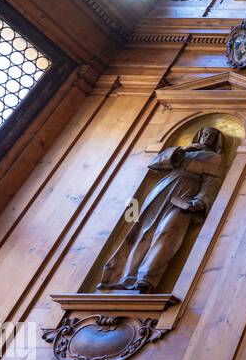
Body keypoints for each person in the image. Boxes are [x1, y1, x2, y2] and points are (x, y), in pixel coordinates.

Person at [96, 126, 226, 293]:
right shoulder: (184, 152)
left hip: (186, 194)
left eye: (212, 136)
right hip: (163, 188)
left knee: (168, 232)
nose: (207, 137)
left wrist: (200, 201)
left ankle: (147, 278)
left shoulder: (214, 158)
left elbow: (212, 182)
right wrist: (181, 150)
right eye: (205, 133)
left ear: (216, 140)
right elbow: (156, 164)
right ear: (199, 135)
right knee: (144, 231)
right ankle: (127, 278)